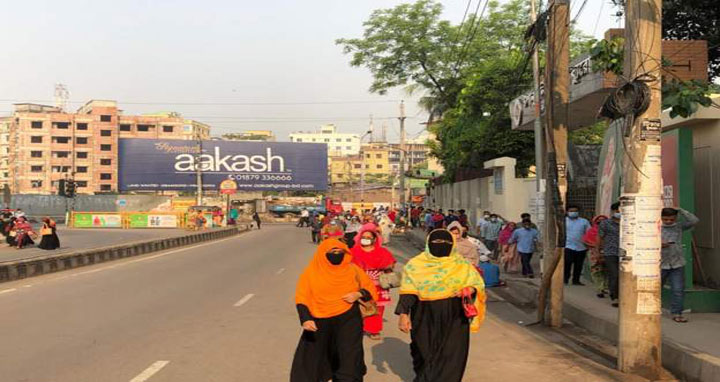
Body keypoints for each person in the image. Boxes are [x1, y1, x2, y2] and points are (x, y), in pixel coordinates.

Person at [395, 229, 486, 382]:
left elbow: (477, 285)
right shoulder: (415, 265)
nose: (440, 246)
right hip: (423, 314)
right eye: (436, 242)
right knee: (423, 351)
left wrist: (469, 289)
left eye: (445, 243)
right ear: (428, 243)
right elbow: (408, 291)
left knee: (452, 354)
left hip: (455, 315)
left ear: (452, 245)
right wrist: (403, 315)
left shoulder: (462, 265)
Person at [290, 238, 378, 382]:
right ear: (323, 254)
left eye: (340, 251)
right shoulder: (311, 273)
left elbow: (370, 289)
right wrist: (305, 318)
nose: (337, 254)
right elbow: (302, 297)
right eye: (332, 251)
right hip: (319, 319)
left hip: (349, 317)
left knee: (349, 355)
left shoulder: (353, 269)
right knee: (314, 357)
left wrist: (358, 294)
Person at [351, 225, 396, 340]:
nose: (365, 239)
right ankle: (358, 327)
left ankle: (374, 329)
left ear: (374, 239)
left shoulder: (383, 251)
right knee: (358, 306)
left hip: (379, 285)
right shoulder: (353, 251)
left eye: (368, 237)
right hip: (359, 284)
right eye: (363, 237)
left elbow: (391, 264)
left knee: (377, 308)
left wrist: (387, 266)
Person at [661, 207, 699, 323]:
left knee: (678, 289)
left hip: (677, 263)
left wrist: (681, 210)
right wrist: (659, 244)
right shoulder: (655, 227)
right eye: (665, 219)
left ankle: (677, 313)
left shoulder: (678, 227)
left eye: (671, 219)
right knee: (655, 288)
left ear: (675, 218)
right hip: (660, 264)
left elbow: (694, 221)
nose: (668, 222)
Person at [598, 203, 621, 306]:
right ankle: (615, 297)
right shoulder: (605, 223)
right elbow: (600, 238)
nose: (620, 213)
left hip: (626, 253)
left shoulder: (630, 222)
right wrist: (599, 251)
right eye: (617, 211)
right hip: (610, 252)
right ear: (613, 211)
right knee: (614, 274)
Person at [564, 205, 591, 285]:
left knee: (579, 265)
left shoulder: (584, 221)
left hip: (581, 247)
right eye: (571, 211)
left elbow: (589, 233)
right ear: (567, 212)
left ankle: (576, 280)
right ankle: (565, 279)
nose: (573, 213)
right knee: (567, 263)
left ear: (578, 212)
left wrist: (588, 244)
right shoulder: (564, 221)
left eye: (575, 211)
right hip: (568, 246)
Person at [585, 214, 609, 299]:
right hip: (593, 253)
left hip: (607, 252)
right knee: (596, 271)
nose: (601, 222)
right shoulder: (591, 231)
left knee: (606, 271)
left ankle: (605, 287)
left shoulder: (609, 231)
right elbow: (585, 241)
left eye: (603, 220)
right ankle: (599, 288)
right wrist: (596, 246)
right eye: (599, 220)